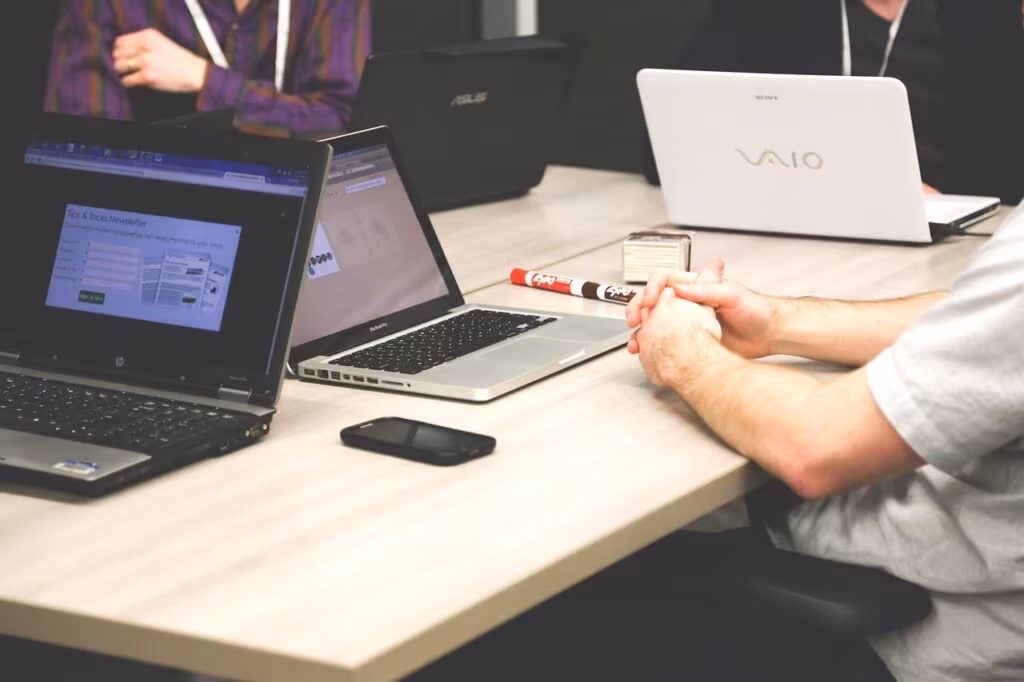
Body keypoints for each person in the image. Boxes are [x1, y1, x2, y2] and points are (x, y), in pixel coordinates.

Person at [616, 201, 1024, 680]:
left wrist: (684, 353)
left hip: (941, 620)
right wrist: (774, 322)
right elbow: (978, 315)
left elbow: (815, 449)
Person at [643, 0, 1024, 204]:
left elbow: (1004, 162)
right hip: (798, 218)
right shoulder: (767, 10)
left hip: (956, 230)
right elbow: (667, 148)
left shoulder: (987, 15)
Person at [44, 0, 370, 137]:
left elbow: (342, 123)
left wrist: (206, 80)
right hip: (165, 215)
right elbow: (84, 146)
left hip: (302, 205)